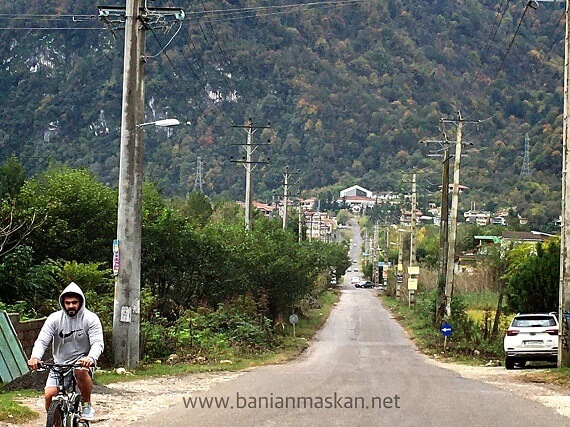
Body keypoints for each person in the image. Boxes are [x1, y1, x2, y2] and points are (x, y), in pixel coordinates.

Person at [27, 282, 104, 421]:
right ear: (62, 303)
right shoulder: (54, 319)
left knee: (80, 370)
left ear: (81, 302)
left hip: (82, 362)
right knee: (49, 395)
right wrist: (35, 357)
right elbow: (42, 341)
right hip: (59, 364)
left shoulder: (90, 318)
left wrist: (91, 358)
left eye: (74, 302)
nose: (71, 306)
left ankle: (86, 405)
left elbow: (97, 343)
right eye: (67, 303)